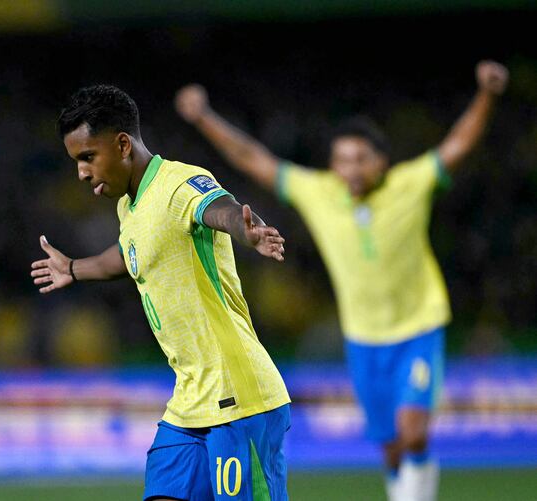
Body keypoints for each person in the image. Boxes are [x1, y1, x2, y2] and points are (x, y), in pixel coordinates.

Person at [175, 60, 509, 501]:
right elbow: (253, 159)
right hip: (364, 339)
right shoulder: (319, 193)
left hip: (418, 330)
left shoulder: (410, 184)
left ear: (381, 162)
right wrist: (203, 117)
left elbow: (458, 145)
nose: (349, 169)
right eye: (341, 160)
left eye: (359, 159)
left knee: (413, 434)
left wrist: (488, 94)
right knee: (391, 448)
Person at [31, 84, 291, 500]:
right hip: (190, 399)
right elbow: (127, 254)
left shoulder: (178, 183)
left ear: (121, 145)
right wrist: (74, 269)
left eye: (87, 158)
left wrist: (247, 229)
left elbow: (217, 208)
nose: (81, 173)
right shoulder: (128, 206)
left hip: (240, 397)